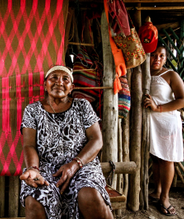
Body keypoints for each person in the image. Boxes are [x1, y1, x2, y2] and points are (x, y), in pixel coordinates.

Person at [19, 65, 113, 219]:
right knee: (34, 199)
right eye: (53, 78)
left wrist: (75, 164)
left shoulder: (82, 106)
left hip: (82, 165)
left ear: (71, 87)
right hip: (47, 168)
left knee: (89, 195)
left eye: (65, 79)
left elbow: (96, 140)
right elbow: (29, 145)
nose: (59, 82)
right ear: (45, 84)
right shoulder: (32, 110)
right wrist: (33, 169)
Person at [143, 45, 184, 216]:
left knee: (167, 159)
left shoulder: (170, 75)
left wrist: (158, 108)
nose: (157, 59)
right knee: (156, 157)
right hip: (152, 124)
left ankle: (165, 198)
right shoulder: (144, 74)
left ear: (165, 58)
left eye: (161, 56)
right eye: (153, 55)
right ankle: (157, 191)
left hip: (167, 123)